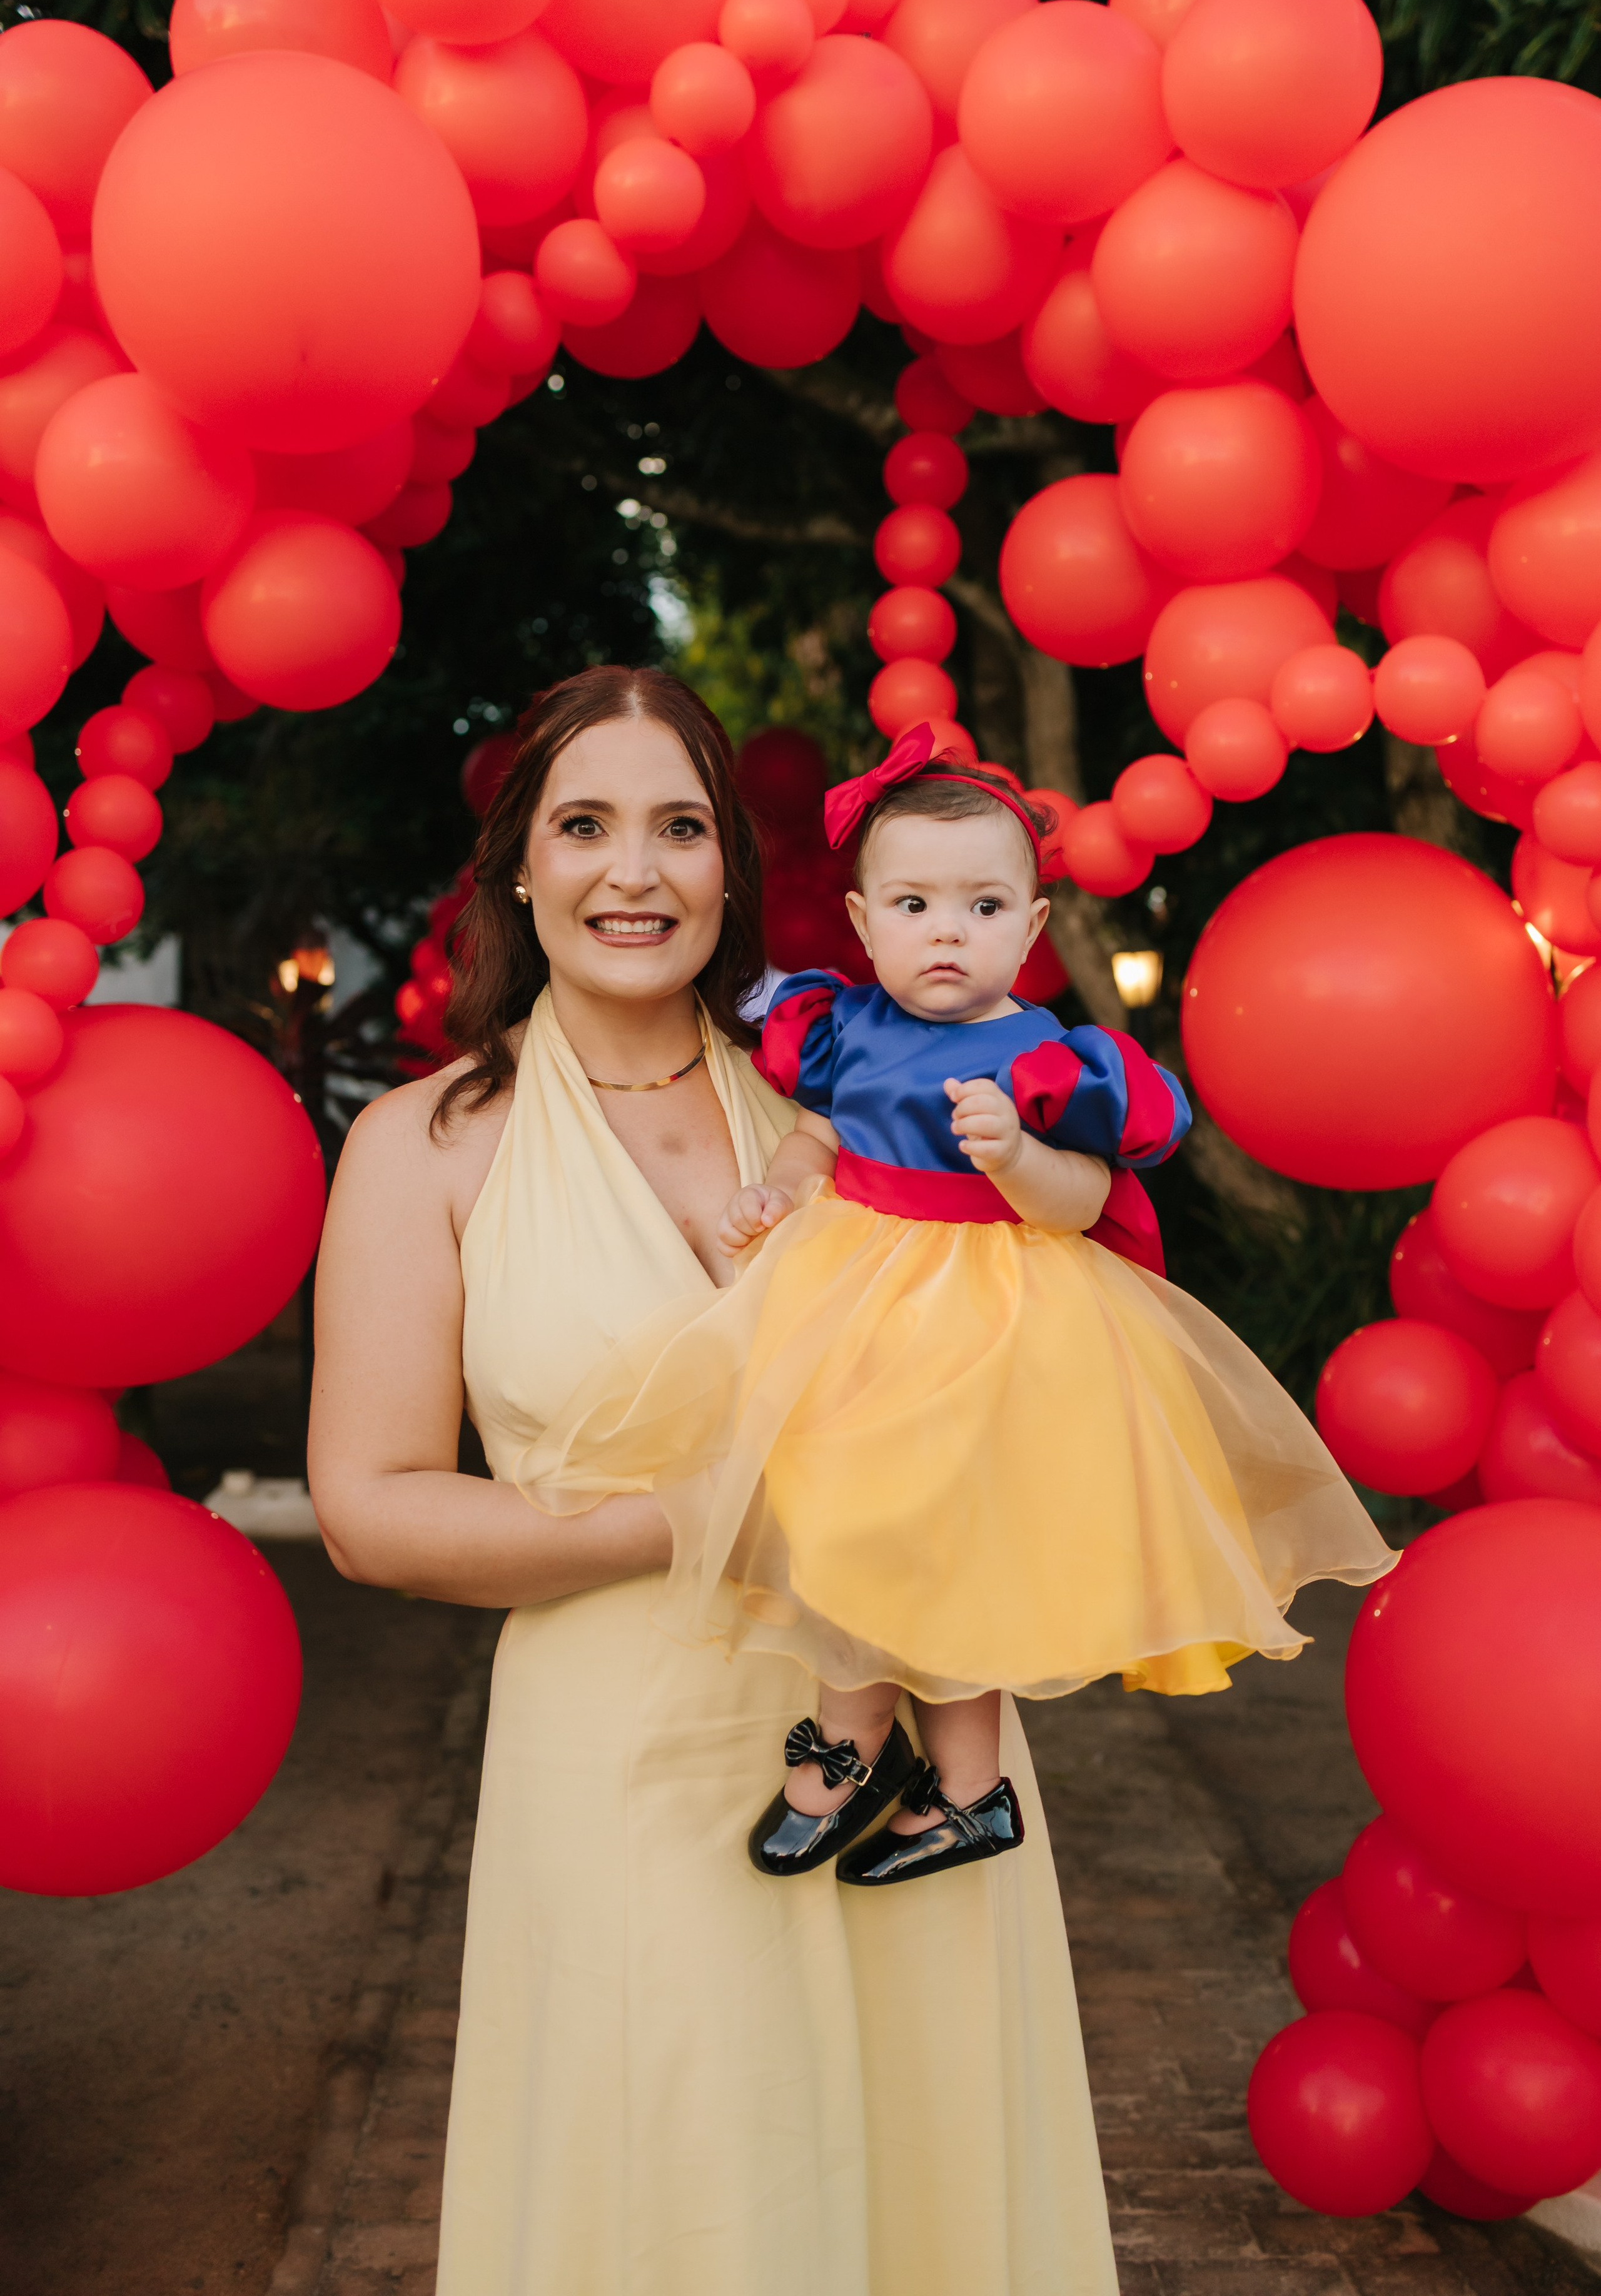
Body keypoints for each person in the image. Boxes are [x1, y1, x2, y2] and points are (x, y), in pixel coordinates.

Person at [308, 667, 1120, 2296]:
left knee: (932, 2181)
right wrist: (697, 1513)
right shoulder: (424, 1148)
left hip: (907, 1744)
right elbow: (369, 1506)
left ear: (734, 877)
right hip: (629, 1757)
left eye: (681, 827)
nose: (634, 871)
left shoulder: (855, 1102)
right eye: (584, 826)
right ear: (516, 871)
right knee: (686, 2199)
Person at [522, 722, 1396, 1891]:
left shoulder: (1049, 1059)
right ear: (863, 921)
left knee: (943, 1551)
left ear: (1032, 928)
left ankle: (901, 1769)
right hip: (858, 1293)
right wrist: (773, 1195)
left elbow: (1086, 1202)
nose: (948, 933)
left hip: (993, 1319)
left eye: (984, 908)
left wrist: (1017, 1159)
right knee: (860, 1526)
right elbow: (821, 1140)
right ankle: (924, 1777)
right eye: (918, 906)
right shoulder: (846, 1029)